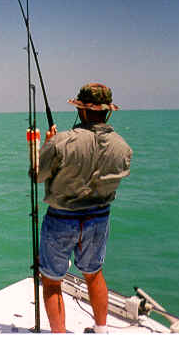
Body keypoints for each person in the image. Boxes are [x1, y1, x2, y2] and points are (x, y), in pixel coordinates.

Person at [36, 83, 133, 333]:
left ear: (82, 111)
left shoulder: (61, 141)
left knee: (52, 281)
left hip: (61, 219)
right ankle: (101, 332)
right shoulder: (123, 148)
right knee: (94, 274)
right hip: (99, 219)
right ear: (107, 112)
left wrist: (48, 146)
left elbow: (37, 175)